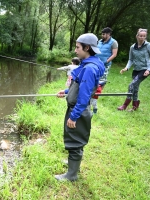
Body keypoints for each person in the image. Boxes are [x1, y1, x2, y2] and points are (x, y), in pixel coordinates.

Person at [55, 33, 105, 181]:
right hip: (78, 108)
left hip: (78, 110)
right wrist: (65, 92)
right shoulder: (90, 63)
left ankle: (71, 175)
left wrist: (74, 116)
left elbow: (83, 97)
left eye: (78, 47)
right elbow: (80, 87)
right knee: (76, 138)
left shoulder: (89, 69)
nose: (75, 51)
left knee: (75, 141)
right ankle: (73, 164)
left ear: (87, 47)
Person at [117, 28, 150, 111]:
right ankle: (135, 106)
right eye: (140, 36)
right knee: (135, 88)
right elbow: (131, 59)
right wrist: (126, 68)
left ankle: (125, 105)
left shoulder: (148, 46)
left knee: (131, 85)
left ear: (145, 37)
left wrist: (149, 70)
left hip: (145, 69)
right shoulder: (132, 47)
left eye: (144, 36)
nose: (142, 37)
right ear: (137, 36)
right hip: (136, 69)